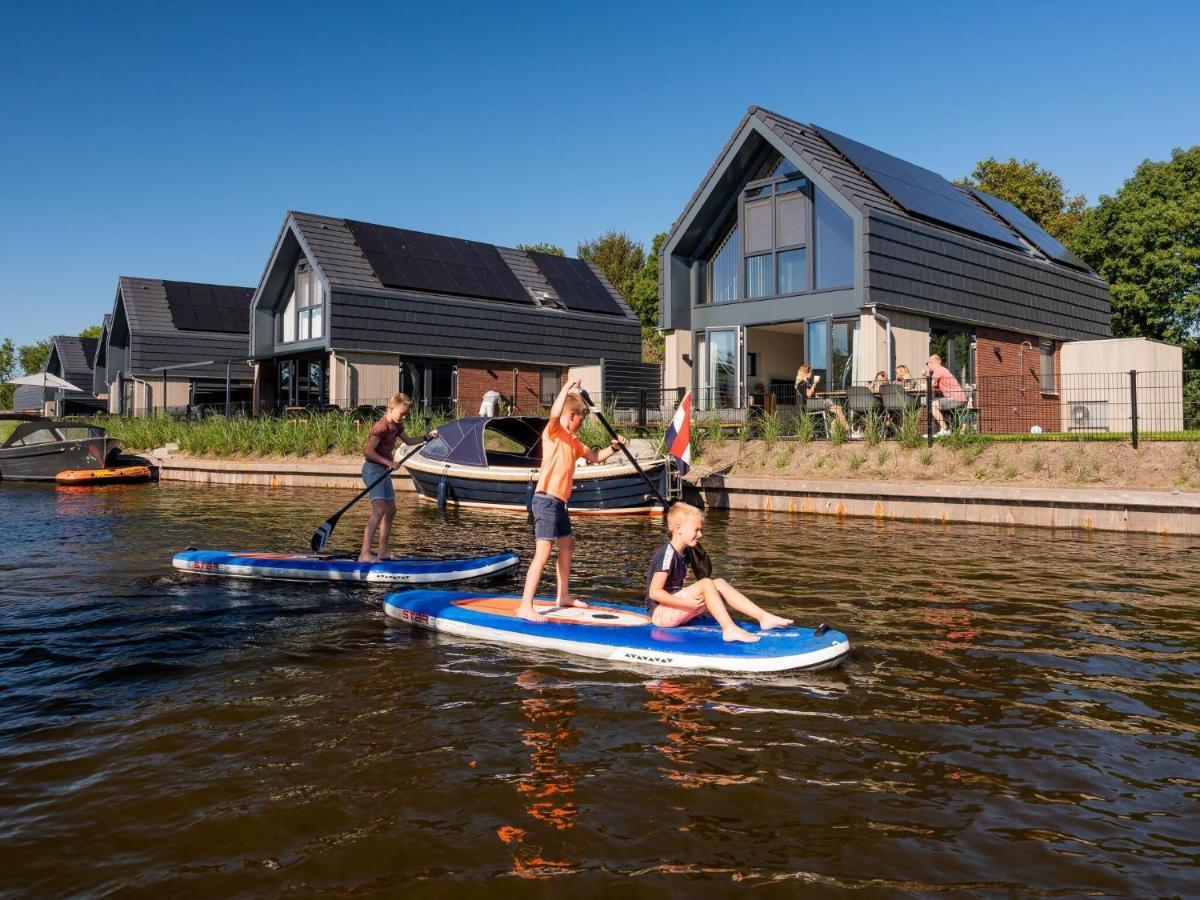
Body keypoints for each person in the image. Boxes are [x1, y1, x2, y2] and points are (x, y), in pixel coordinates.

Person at [517, 380, 627, 622]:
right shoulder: (553, 432)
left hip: (560, 503)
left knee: (567, 546)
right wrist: (566, 387)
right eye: (580, 419)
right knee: (543, 551)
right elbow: (555, 413)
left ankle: (563, 596)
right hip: (545, 499)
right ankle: (526, 604)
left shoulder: (575, 442)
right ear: (571, 416)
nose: (582, 424)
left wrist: (614, 448)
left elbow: (596, 457)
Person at [646, 503, 793, 643]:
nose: (700, 534)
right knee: (706, 583)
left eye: (701, 530)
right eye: (696, 530)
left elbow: (702, 572)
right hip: (661, 615)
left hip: (674, 609)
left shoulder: (685, 553)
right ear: (678, 528)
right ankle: (729, 629)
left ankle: (764, 617)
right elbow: (655, 593)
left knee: (719, 583)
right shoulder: (666, 555)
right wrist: (687, 604)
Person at [359, 393, 432, 562]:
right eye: (402, 413)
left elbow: (410, 441)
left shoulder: (397, 426)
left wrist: (427, 437)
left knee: (391, 510)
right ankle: (364, 554)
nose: (404, 417)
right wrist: (389, 462)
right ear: (391, 408)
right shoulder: (381, 427)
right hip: (372, 469)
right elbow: (368, 451)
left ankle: (383, 551)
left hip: (383, 470)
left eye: (406, 414)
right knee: (379, 510)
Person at [794, 364, 850, 430]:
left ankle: (834, 431)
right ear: (806, 373)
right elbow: (808, 394)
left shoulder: (804, 383)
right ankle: (848, 429)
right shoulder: (802, 383)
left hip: (813, 403)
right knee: (838, 409)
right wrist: (815, 383)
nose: (811, 374)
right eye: (810, 372)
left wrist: (816, 394)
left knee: (837, 411)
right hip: (811, 405)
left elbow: (810, 394)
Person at [923, 354, 967, 436]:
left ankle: (945, 429)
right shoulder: (943, 370)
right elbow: (935, 387)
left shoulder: (938, 371)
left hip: (955, 399)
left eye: (927, 363)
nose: (927, 365)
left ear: (933, 363)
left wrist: (926, 382)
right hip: (960, 398)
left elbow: (930, 386)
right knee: (937, 405)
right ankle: (946, 429)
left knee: (933, 405)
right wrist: (927, 378)